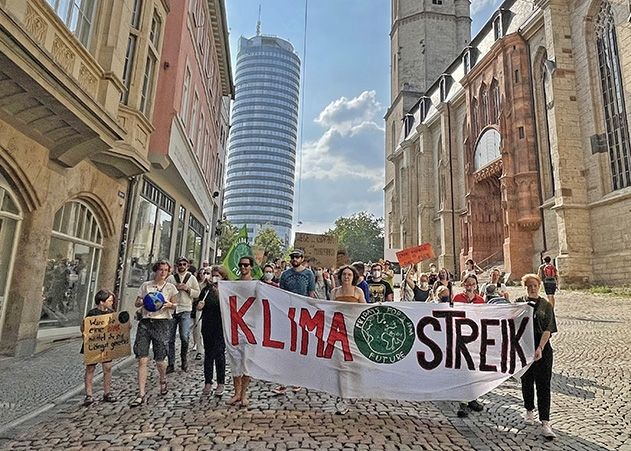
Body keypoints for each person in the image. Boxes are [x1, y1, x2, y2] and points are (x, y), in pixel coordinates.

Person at [131, 260, 178, 407]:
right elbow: (137, 302)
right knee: (142, 359)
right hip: (146, 322)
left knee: (159, 361)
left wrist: (170, 305)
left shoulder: (170, 288)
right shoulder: (146, 285)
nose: (162, 272)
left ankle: (163, 378)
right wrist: (141, 303)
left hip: (162, 323)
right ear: (155, 270)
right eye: (160, 269)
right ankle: (141, 393)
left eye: (165, 270)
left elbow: (175, 305)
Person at [516, 274, 558, 439]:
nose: (532, 288)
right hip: (525, 347)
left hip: (542, 347)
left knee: (543, 384)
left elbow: (548, 328)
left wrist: (540, 347)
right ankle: (528, 410)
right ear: (525, 287)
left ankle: (545, 421)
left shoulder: (546, 305)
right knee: (526, 380)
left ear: (539, 285)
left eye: (534, 285)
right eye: (529, 286)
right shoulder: (519, 302)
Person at [275, 249, 315, 394]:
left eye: (297, 257)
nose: (295, 259)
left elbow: (310, 294)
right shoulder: (285, 274)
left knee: (299, 348)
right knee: (285, 349)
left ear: (302, 258)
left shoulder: (309, 274)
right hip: (288, 313)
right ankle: (283, 382)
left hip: (303, 314)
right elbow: (281, 293)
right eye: (293, 257)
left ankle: (298, 380)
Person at [330, 265, 366, 415]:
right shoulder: (334, 292)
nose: (346, 277)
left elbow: (364, 308)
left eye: (349, 275)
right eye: (344, 274)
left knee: (355, 364)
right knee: (341, 365)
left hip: (354, 330)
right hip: (339, 331)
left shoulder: (358, 291)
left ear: (354, 277)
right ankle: (342, 397)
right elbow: (329, 308)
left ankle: (354, 391)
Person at [452, 274, 485, 417]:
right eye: (467, 284)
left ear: (476, 285)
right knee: (463, 371)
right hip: (460, 338)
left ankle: (472, 398)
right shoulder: (457, 298)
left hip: (475, 339)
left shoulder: (481, 300)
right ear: (463, 285)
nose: (470, 286)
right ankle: (463, 404)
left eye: (472, 284)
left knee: (474, 371)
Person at [226, 256, 256, 407]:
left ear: (251, 267)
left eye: (246, 265)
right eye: (241, 265)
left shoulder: (257, 285)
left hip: (250, 328)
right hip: (234, 327)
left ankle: (244, 394)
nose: (243, 268)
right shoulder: (233, 284)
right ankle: (236, 393)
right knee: (235, 362)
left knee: (246, 362)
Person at [81, 289, 117, 406]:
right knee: (90, 368)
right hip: (93, 345)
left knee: (107, 367)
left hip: (106, 344)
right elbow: (84, 327)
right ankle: (89, 394)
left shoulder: (111, 313)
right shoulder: (92, 313)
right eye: (109, 300)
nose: (111, 302)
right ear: (102, 302)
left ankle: (107, 392)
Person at [198, 265, 228, 397]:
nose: (214, 277)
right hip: (208, 325)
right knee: (208, 355)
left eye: (218, 275)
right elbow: (198, 304)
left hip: (221, 326)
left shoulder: (226, 290)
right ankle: (208, 382)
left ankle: (221, 382)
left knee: (219, 354)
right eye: (213, 275)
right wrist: (199, 306)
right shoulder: (206, 290)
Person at [166, 257, 201, 373]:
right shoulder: (171, 278)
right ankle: (171, 363)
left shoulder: (192, 278)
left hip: (185, 309)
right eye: (180, 264)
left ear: (187, 266)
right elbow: (165, 292)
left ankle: (184, 360)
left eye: (184, 264)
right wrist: (175, 289)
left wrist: (188, 289)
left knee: (184, 337)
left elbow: (197, 293)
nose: (182, 266)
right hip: (173, 310)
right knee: (170, 338)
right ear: (177, 265)